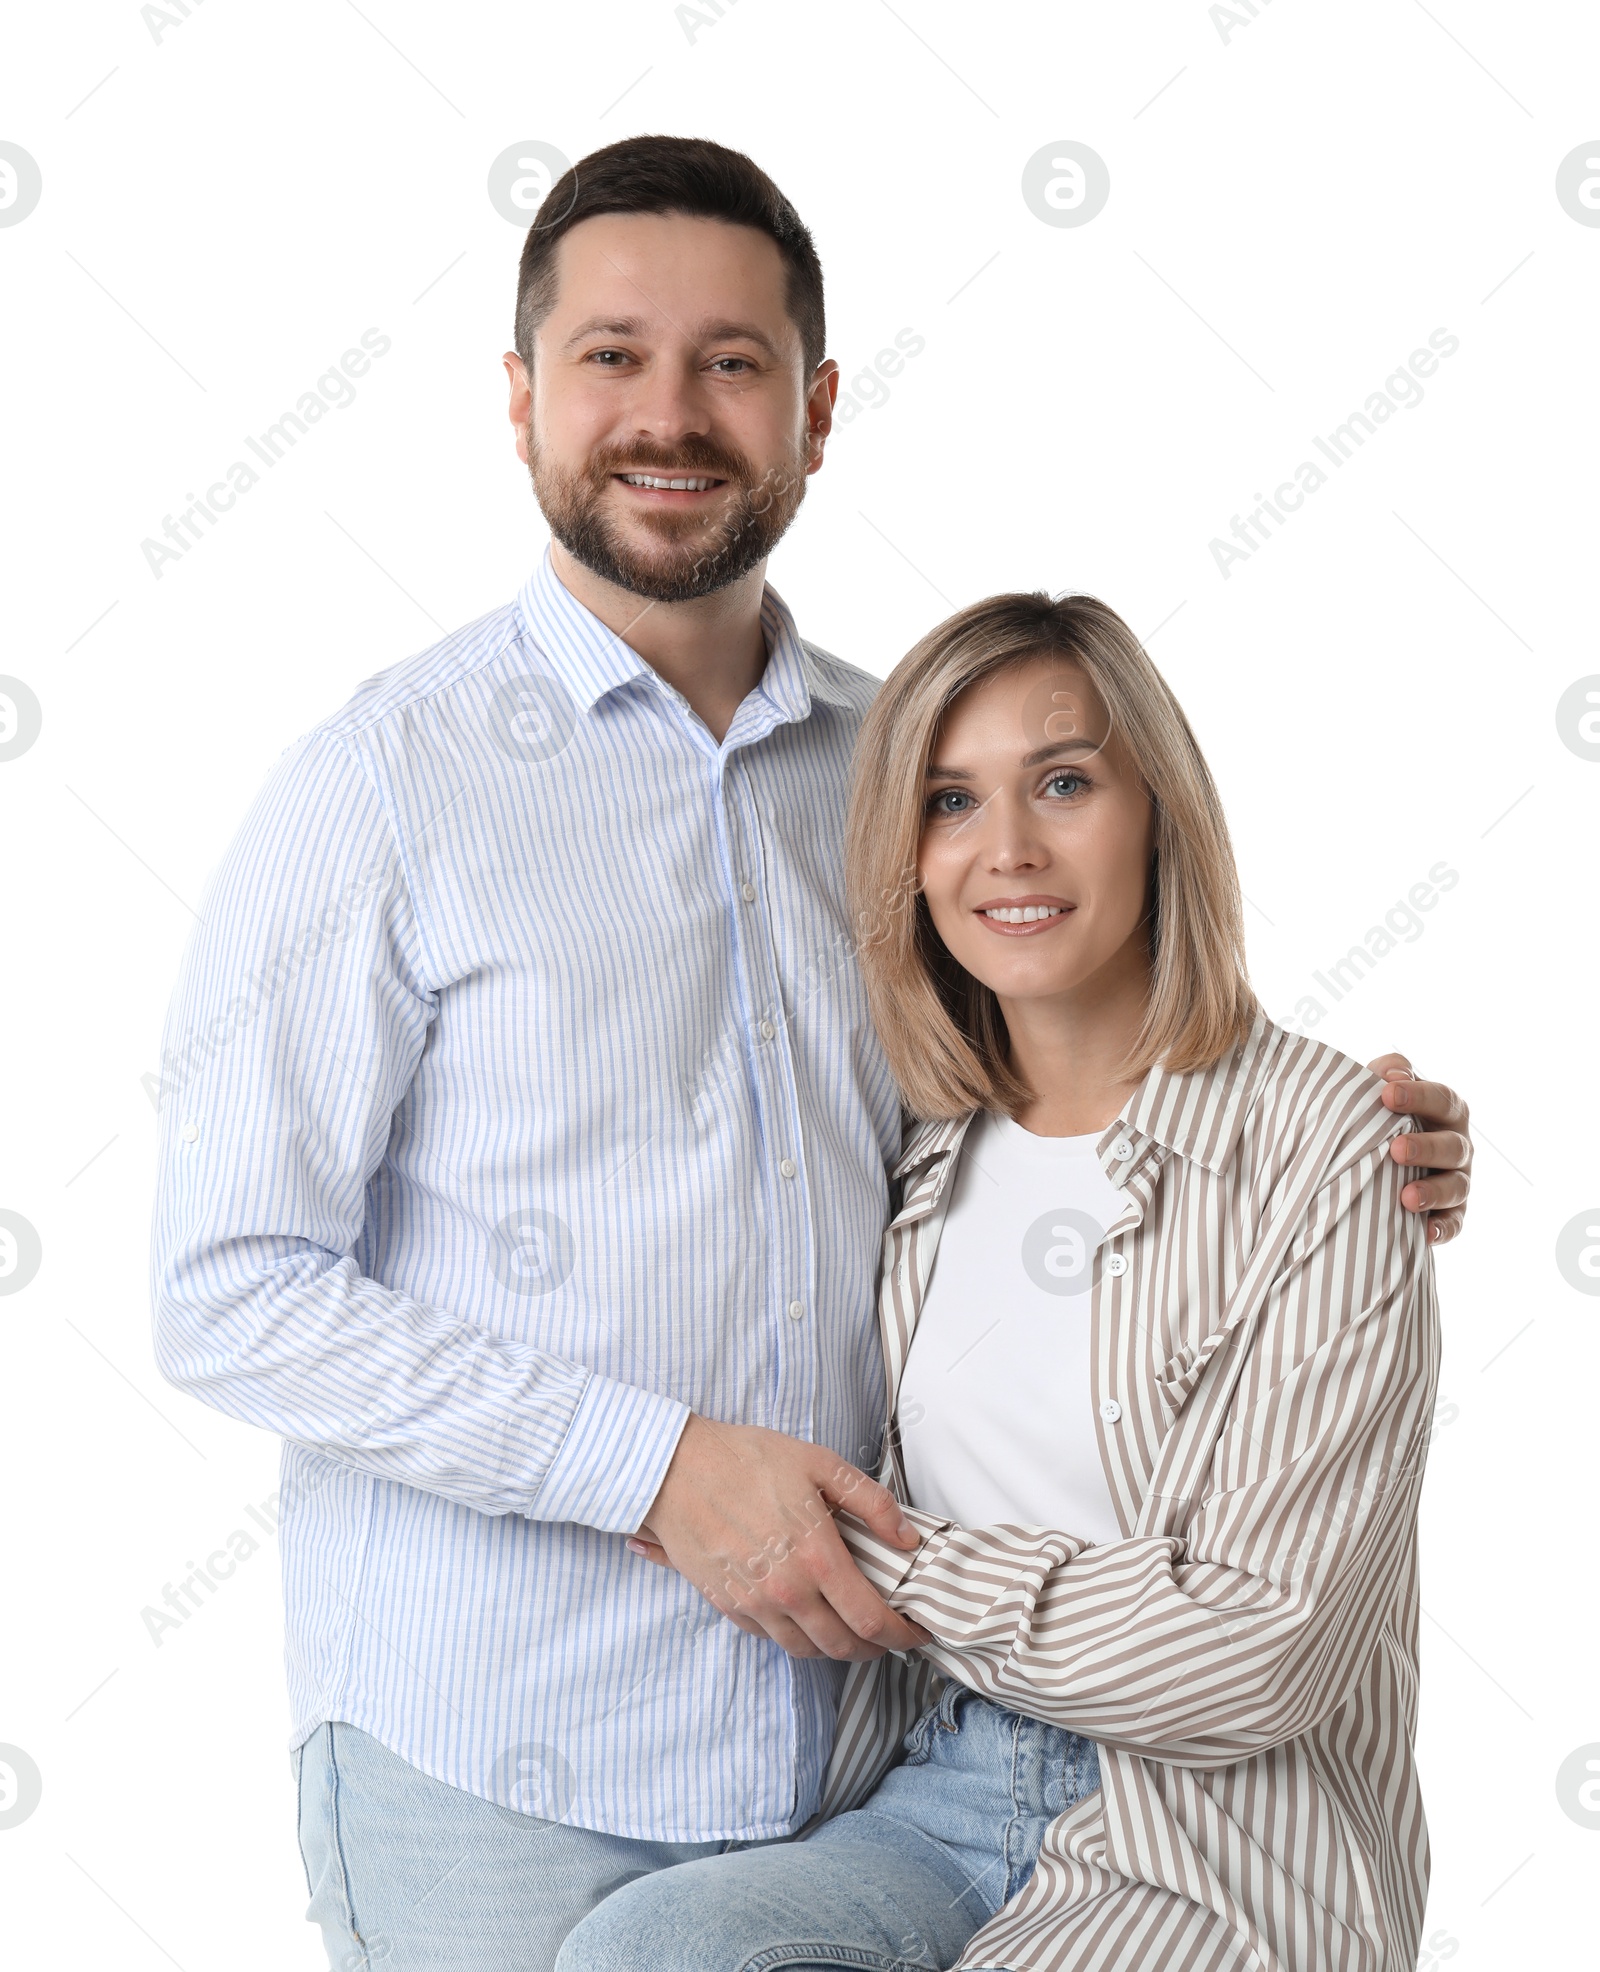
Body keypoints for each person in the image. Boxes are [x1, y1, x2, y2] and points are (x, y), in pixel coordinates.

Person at [147, 137, 1469, 1972]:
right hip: (490, 1752)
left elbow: (1069, 1092)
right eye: (611, 356)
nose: (668, 413)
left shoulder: (901, 774)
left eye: (733, 362)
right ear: (523, 398)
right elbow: (226, 1284)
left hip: (860, 1755)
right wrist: (654, 1466)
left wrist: (1342, 1142)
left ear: (818, 409)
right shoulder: (382, 786)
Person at [561, 590, 1442, 1972]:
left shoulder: (1326, 1145)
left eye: (1066, 782)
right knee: (645, 1955)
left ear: (1161, 812)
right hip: (948, 1793)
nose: (1008, 850)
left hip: (1205, 1845)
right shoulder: (924, 1153)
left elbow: (1256, 1655)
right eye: (952, 801)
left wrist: (872, 1561)